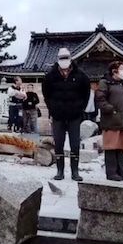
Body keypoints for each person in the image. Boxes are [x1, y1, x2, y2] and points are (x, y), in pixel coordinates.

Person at [42, 48, 90, 181]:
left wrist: (80, 109)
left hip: (74, 116)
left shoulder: (80, 75)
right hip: (58, 116)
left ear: (70, 59)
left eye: (66, 58)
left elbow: (86, 94)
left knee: (75, 144)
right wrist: (53, 109)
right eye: (61, 58)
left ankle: (75, 171)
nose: (64, 61)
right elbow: (46, 94)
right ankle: (60, 170)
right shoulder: (50, 76)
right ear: (57, 59)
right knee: (59, 144)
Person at [95, 61, 123, 181]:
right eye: (122, 69)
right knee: (112, 147)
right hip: (111, 120)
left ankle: (121, 171)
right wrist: (110, 109)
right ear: (114, 71)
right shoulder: (105, 82)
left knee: (122, 147)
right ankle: (111, 172)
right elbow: (100, 99)